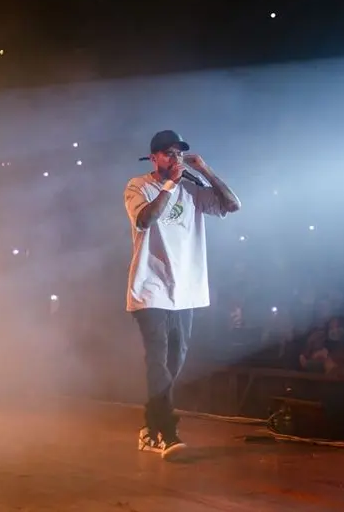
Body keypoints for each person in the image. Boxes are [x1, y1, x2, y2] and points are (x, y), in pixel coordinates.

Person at [124, 130, 241, 459]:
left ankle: (150, 426)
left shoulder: (193, 188)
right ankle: (165, 431)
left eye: (178, 153)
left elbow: (233, 205)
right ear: (153, 158)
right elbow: (146, 219)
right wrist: (170, 185)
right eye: (167, 153)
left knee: (175, 360)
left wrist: (205, 170)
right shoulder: (139, 186)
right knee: (158, 359)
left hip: (185, 290)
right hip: (150, 288)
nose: (174, 158)